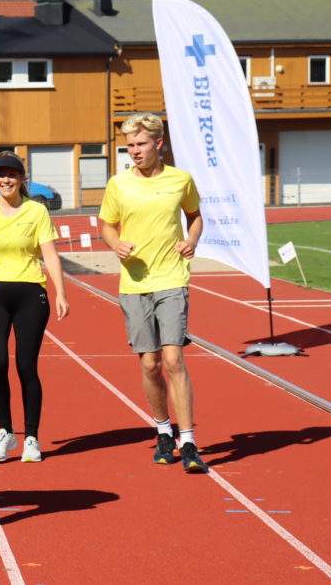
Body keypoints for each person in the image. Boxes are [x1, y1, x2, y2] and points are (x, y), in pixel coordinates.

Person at [99, 112, 207, 473]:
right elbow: (107, 225)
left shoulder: (180, 179)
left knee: (174, 360)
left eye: (141, 143)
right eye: (130, 145)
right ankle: (164, 430)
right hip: (134, 283)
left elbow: (195, 215)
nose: (135, 151)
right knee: (150, 364)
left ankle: (189, 440)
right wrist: (115, 244)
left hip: (172, 278)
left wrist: (190, 241)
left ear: (159, 143)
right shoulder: (119, 184)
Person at [0, 151, 68, 464]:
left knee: (26, 366)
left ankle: (32, 438)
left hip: (30, 295)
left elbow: (50, 255)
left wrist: (60, 292)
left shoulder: (37, 211)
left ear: (22, 178)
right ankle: (4, 432)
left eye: (11, 174)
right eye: (0, 175)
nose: (5, 180)